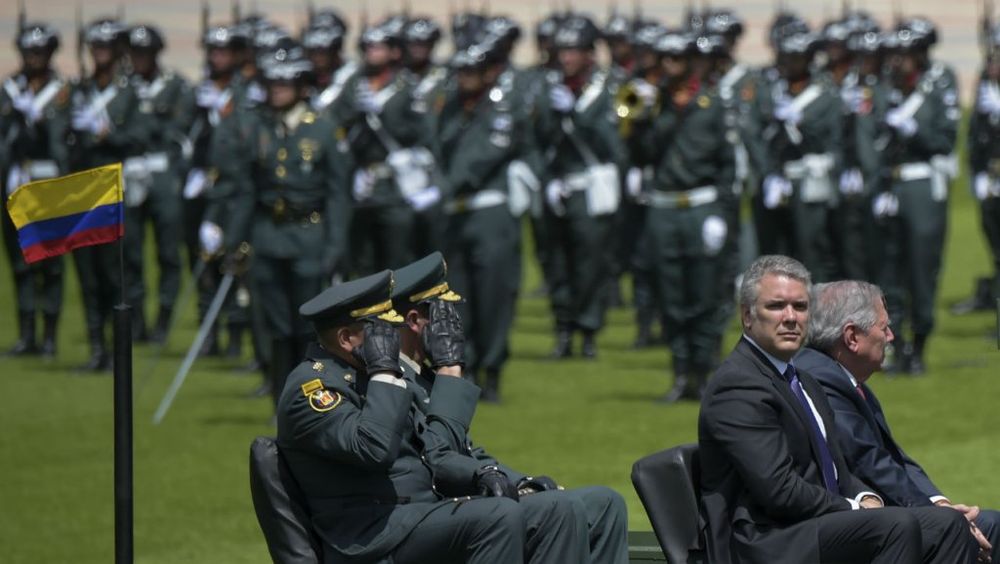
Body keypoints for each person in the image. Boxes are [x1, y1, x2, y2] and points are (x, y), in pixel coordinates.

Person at [277, 270, 594, 563]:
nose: (391, 340)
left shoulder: (371, 376)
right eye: (381, 331)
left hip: (417, 514)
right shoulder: (313, 390)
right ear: (346, 339)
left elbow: (434, 448)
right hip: (369, 534)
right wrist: (385, 373)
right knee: (498, 515)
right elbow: (374, 448)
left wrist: (492, 474)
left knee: (563, 507)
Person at [698, 254, 978, 563]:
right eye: (776, 306)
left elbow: (835, 470)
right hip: (769, 539)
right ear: (747, 316)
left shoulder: (802, 379)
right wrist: (854, 507)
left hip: (814, 525)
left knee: (948, 525)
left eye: (800, 307)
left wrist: (865, 496)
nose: (790, 317)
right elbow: (780, 491)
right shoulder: (738, 385)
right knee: (895, 525)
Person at [390, 251, 630, 563]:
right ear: (413, 321)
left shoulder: (423, 376)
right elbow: (439, 457)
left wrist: (523, 482)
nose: (454, 325)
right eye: (442, 316)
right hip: (429, 513)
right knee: (559, 508)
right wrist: (450, 371)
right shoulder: (391, 382)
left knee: (604, 503)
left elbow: (467, 450)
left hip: (464, 498)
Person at [799, 279, 999, 563]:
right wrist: (941, 515)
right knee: (968, 529)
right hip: (848, 527)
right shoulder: (822, 382)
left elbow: (896, 457)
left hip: (876, 516)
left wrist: (939, 502)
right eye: (884, 328)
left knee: (988, 524)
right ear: (852, 337)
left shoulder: (844, 379)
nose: (891, 336)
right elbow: (868, 460)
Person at [208, 43, 351, 408]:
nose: (276, 90)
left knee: (307, 324)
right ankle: (281, 401)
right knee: (274, 326)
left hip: (309, 235)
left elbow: (338, 194)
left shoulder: (323, 129)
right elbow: (247, 191)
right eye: (271, 83)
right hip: (268, 235)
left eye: (284, 83)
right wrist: (233, 240)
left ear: (302, 86)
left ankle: (311, 400)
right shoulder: (259, 129)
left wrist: (335, 246)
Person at [626, 29, 734, 402]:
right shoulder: (653, 103)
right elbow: (642, 155)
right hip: (664, 208)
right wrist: (639, 123)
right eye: (665, 58)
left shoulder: (710, 104)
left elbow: (726, 163)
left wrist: (721, 213)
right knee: (670, 297)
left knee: (703, 295)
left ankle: (701, 374)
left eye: (676, 58)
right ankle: (680, 372)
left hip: (700, 207)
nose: (669, 65)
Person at [432, 43, 527, 402]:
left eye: (471, 72)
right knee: (456, 299)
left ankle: (493, 369)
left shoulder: (501, 108)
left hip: (488, 213)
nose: (464, 79)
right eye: (461, 72)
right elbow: (437, 144)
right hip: (455, 214)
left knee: (494, 296)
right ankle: (464, 367)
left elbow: (484, 156)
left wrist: (443, 185)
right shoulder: (451, 108)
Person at [537, 15, 626, 360]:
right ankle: (563, 329)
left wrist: (577, 113)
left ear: (590, 53)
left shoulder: (607, 89)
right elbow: (538, 140)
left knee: (591, 263)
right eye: (562, 50)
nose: (566, 57)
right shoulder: (549, 87)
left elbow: (613, 144)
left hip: (591, 187)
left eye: (573, 50)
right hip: (558, 185)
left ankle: (588, 330)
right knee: (557, 262)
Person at [874, 26, 959, 375]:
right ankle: (897, 344)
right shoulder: (885, 91)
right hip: (891, 187)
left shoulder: (935, 90)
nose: (898, 61)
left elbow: (945, 139)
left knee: (922, 269)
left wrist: (915, 132)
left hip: (922, 185)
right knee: (890, 271)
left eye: (904, 55)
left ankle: (920, 345)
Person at [67, 18, 144, 371]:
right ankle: (96, 346)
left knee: (115, 274)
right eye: (94, 46)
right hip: (84, 189)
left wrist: (105, 133)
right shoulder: (80, 89)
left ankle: (118, 351)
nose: (99, 52)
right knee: (87, 272)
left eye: (105, 46)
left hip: (114, 190)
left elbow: (139, 136)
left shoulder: (129, 91)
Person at [1, 22, 70, 359]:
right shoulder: (9, 89)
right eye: (29, 51)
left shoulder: (62, 90)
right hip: (17, 181)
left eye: (40, 51)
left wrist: (45, 120)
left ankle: (50, 337)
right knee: (20, 262)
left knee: (52, 262)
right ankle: (27, 335)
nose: (34, 57)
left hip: (49, 181)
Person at [123, 24, 192, 343]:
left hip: (163, 173)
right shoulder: (122, 86)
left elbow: (178, 127)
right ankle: (136, 318)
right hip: (129, 171)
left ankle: (164, 318)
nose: (139, 59)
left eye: (145, 53)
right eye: (134, 53)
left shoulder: (174, 84)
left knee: (168, 251)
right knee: (130, 251)